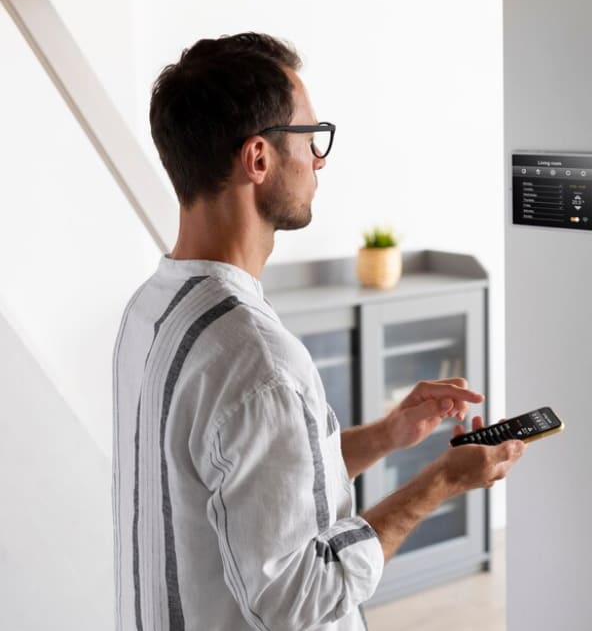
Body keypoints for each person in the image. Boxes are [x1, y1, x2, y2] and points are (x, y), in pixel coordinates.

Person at [112, 32, 524, 631]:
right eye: (311, 137)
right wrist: (440, 482)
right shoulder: (256, 359)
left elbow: (242, 487)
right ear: (259, 159)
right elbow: (301, 598)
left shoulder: (150, 310)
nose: (320, 158)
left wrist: (387, 434)